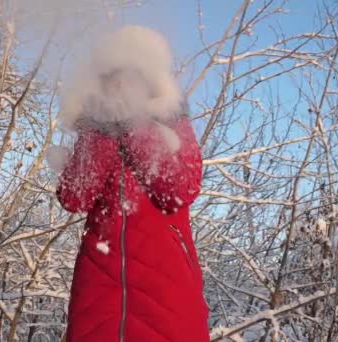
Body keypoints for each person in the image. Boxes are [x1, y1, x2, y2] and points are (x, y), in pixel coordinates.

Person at [54, 26, 209, 342]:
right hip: (99, 293)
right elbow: (73, 196)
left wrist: (135, 128)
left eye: (130, 77)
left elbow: (179, 190)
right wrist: (102, 132)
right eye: (113, 78)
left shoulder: (171, 123)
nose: (121, 86)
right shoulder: (95, 132)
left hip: (167, 293)